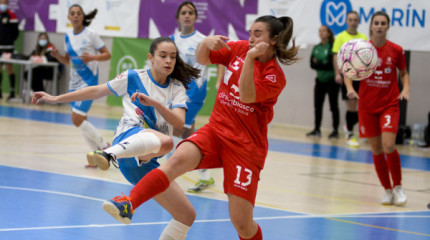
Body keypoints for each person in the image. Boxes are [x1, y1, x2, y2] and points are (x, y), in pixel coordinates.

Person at [99, 15, 298, 240]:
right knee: (177, 159)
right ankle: (128, 204)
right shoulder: (241, 48)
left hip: (246, 148)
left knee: (242, 223)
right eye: (250, 33)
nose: (251, 39)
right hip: (216, 131)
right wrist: (205, 43)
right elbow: (203, 59)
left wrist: (251, 57)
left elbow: (246, 95)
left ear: (273, 40)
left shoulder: (275, 76)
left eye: (258, 34)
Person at [33, 36, 201, 240]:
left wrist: (155, 104)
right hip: (127, 138)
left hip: (147, 163)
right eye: (163, 56)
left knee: (186, 215)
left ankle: (120, 185)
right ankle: (108, 152)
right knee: (166, 142)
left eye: (172, 57)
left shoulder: (177, 88)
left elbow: (178, 122)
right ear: (150, 57)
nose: (168, 61)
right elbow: (96, 91)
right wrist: (56, 98)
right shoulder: (133, 77)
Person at [344, 11, 410, 206]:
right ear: (371, 26)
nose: (380, 26)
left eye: (383, 23)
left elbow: (404, 73)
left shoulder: (396, 50)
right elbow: (349, 71)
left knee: (389, 145)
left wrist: (405, 88)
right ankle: (387, 191)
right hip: (367, 106)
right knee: (376, 149)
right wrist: (349, 89)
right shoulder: (363, 49)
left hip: (389, 105)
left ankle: (398, 187)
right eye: (376, 23)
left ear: (388, 26)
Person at [169, 1, 223, 193]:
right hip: (177, 92)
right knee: (188, 136)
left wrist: (220, 81)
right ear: (178, 17)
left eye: (190, 12)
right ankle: (206, 177)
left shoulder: (203, 40)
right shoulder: (171, 40)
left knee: (174, 130)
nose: (187, 15)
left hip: (194, 93)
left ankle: (167, 177)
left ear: (195, 17)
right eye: (183, 12)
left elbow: (223, 55)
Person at [50, 4, 111, 167]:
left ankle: (105, 147)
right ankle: (96, 158)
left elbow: (107, 54)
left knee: (76, 119)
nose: (76, 16)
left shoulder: (91, 35)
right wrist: (57, 56)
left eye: (78, 13)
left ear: (83, 17)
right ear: (69, 18)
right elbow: (68, 60)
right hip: (74, 83)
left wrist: (93, 57)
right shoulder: (67, 36)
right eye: (72, 14)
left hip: (89, 81)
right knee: (81, 120)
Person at [332, 11, 368, 147]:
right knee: (351, 104)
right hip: (347, 75)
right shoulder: (341, 37)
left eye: (355, 19)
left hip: (361, 76)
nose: (353, 22)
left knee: (361, 106)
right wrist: (337, 73)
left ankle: (351, 128)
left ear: (358, 21)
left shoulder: (363, 37)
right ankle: (350, 133)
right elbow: (335, 56)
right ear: (347, 21)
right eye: (350, 19)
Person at [307, 25, 339, 139]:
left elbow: (330, 64)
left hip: (331, 81)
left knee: (333, 106)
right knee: (318, 105)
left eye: (323, 31)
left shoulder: (332, 46)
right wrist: (322, 63)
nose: (321, 33)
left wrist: (318, 63)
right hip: (319, 80)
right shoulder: (317, 47)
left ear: (329, 33)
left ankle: (335, 130)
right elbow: (311, 64)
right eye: (319, 31)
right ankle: (316, 129)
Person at [0, 0, 19, 100]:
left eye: (3, 3)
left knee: (9, 68)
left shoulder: (12, 15)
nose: (2, 5)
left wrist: (9, 40)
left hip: (8, 47)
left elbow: (15, 32)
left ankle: (12, 92)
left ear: (7, 4)